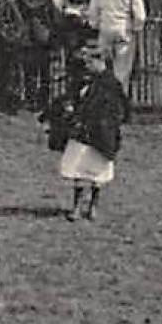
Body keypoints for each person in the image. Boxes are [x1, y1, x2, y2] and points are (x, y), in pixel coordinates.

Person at [55, 48, 127, 221]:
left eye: (90, 62)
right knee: (78, 169)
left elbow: (119, 109)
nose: (87, 66)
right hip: (82, 131)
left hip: (100, 132)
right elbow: (72, 97)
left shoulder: (111, 84)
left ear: (100, 62)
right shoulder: (82, 80)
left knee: (97, 170)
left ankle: (93, 206)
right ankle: (77, 206)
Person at [85, 0, 147, 89]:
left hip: (105, 29)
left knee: (102, 68)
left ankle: (103, 99)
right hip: (124, 31)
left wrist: (95, 25)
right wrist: (136, 28)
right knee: (122, 71)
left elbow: (93, 11)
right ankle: (118, 100)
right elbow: (140, 15)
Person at [17, 0, 60, 112]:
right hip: (43, 40)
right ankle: (43, 101)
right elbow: (55, 19)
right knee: (45, 73)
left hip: (26, 40)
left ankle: (30, 100)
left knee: (30, 73)